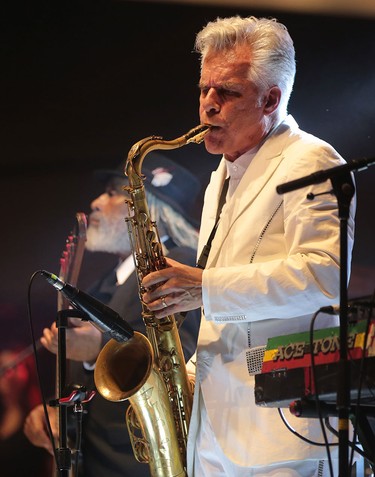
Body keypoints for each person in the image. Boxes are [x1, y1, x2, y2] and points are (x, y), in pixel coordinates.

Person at [141, 16, 356, 477]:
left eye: (228, 93)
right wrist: (189, 375)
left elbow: (324, 275)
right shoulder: (221, 174)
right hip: (217, 437)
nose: (207, 107)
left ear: (271, 99)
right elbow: (228, 314)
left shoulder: (312, 159)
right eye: (204, 90)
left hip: (284, 436)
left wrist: (205, 289)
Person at [23, 152, 202, 477]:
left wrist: (97, 348)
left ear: (148, 209)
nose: (95, 202)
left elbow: (184, 357)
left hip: (140, 461)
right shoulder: (108, 280)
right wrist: (56, 411)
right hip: (96, 460)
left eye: (112, 193)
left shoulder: (180, 263)